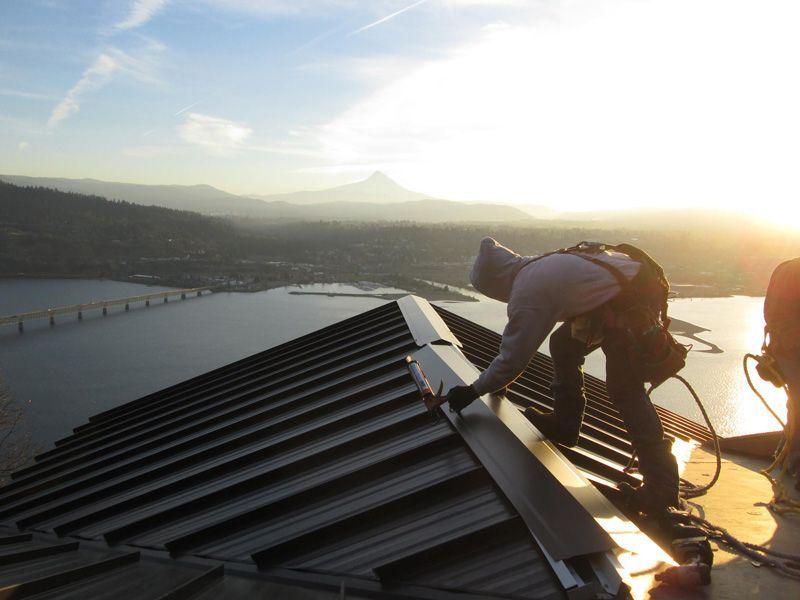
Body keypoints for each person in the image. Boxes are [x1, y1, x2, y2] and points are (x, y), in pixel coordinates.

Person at [445, 237, 680, 515]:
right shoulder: (532, 267)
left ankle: (661, 484)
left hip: (631, 298)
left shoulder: (528, 291)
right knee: (563, 344)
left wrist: (473, 391)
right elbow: (515, 349)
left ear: (495, 284)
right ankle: (565, 422)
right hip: (625, 289)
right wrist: (497, 384)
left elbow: (513, 359)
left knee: (624, 389)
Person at [764, 257, 800, 481]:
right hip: (791, 348)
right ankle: (793, 459)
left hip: (784, 349)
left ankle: (786, 454)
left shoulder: (786, 267)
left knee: (795, 404)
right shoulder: (792, 272)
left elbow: (770, 313)